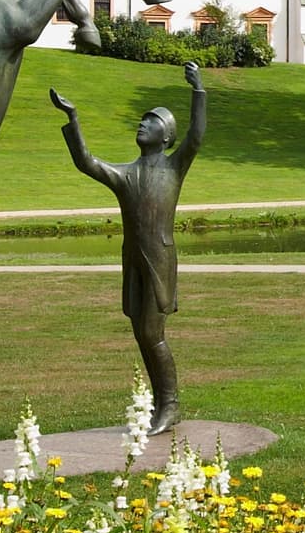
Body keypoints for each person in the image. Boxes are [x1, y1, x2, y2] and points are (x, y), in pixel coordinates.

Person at [51, 63, 205, 430]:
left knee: (152, 334)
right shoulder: (126, 175)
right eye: (142, 120)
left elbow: (196, 137)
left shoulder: (173, 168)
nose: (142, 125)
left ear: (166, 137)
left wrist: (199, 91)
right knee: (142, 333)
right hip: (133, 261)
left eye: (151, 122)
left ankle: (170, 405)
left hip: (158, 260)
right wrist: (72, 119)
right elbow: (85, 162)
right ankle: (161, 405)